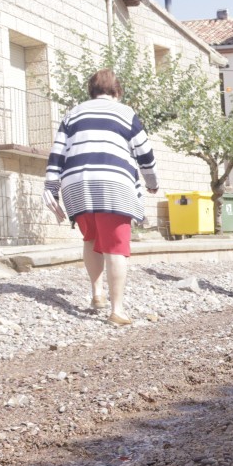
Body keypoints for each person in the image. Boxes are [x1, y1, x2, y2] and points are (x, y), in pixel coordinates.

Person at [45, 68, 159, 325]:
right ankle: (117, 310)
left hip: (76, 184)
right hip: (113, 182)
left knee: (91, 238)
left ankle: (97, 293)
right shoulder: (126, 113)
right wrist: (152, 183)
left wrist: (51, 188)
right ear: (117, 92)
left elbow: (57, 152)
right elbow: (145, 153)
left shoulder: (73, 113)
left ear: (91, 92)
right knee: (116, 247)